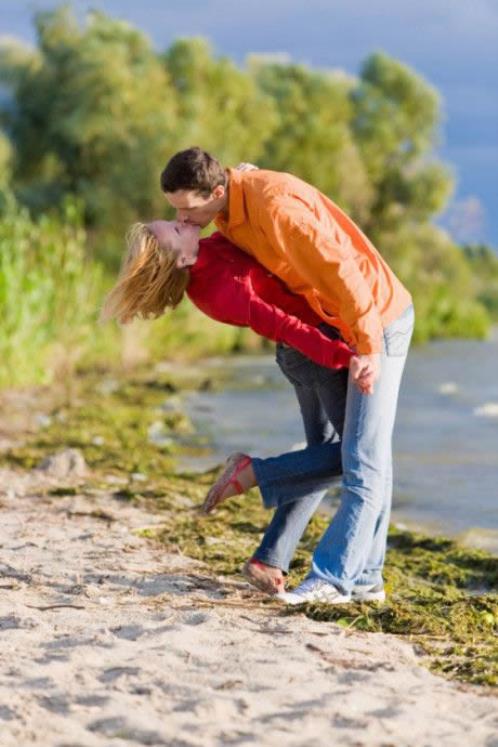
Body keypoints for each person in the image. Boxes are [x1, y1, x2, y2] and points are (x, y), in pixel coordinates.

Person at [160, 147, 415, 605]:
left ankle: (334, 577)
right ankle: (366, 578)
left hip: (377, 317)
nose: (181, 217)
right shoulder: (223, 213)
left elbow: (344, 272)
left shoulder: (273, 208)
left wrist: (366, 347)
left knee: (363, 458)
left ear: (216, 192)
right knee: (365, 457)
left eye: (185, 208)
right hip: (338, 327)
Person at [101, 220, 354, 595]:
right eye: (174, 227)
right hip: (313, 351)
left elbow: (234, 224)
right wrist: (343, 354)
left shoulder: (208, 252)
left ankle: (269, 559)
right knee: (354, 458)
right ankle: (254, 471)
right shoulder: (217, 290)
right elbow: (282, 324)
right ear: (180, 256)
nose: (181, 220)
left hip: (304, 353)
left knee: (321, 458)